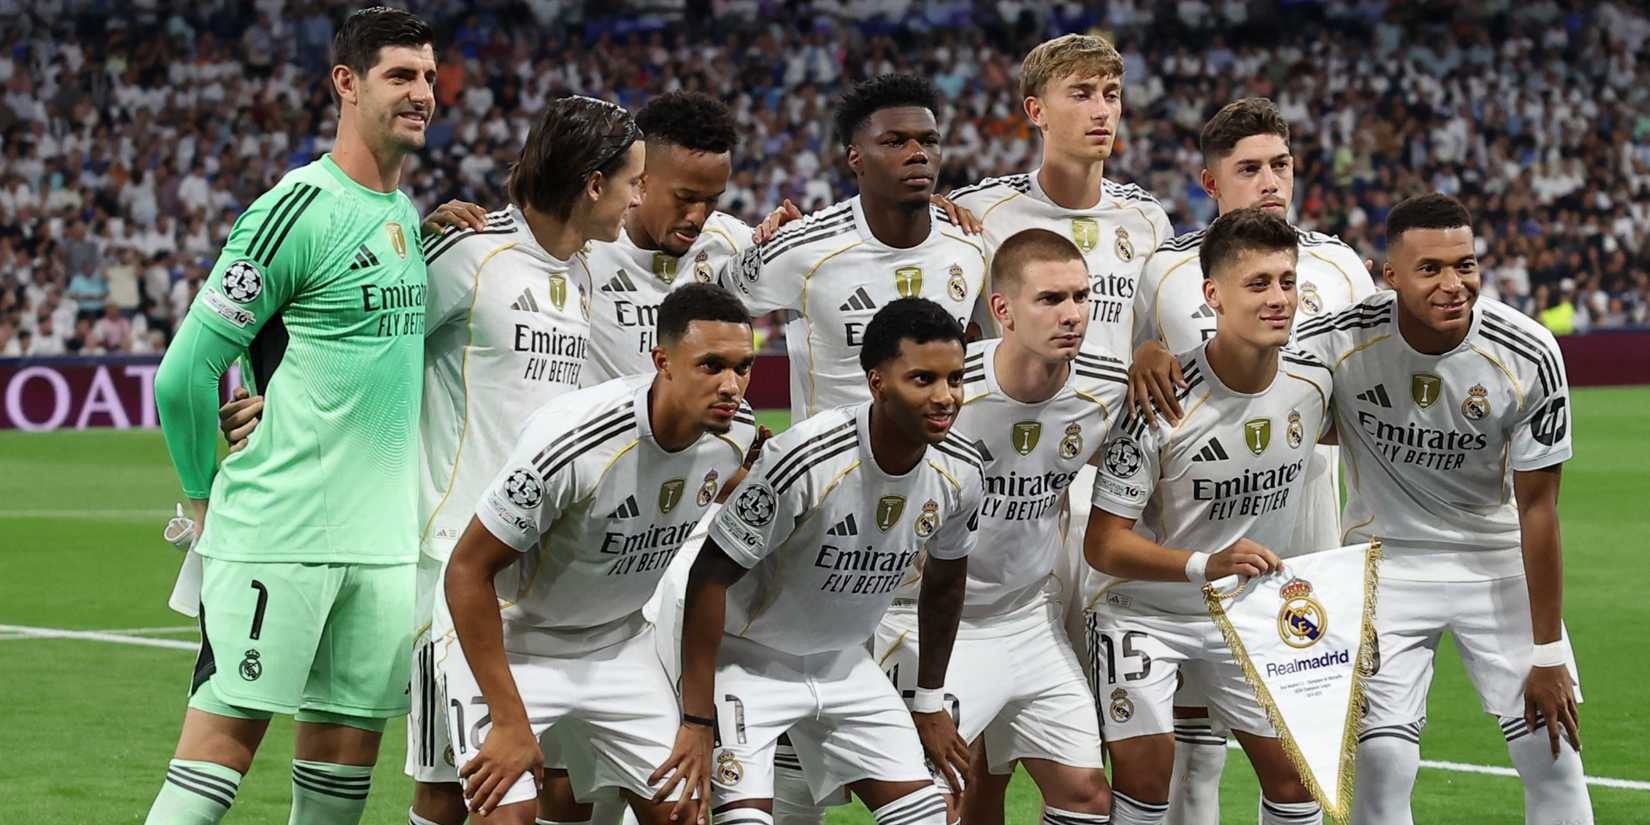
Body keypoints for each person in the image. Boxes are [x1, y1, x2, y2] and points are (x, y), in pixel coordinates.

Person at [218, 95, 647, 825]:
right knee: (458, 794)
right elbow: (348, 322)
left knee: (553, 790)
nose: (639, 196)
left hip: (539, 573)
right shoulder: (469, 252)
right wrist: (276, 399)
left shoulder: (581, 273)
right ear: (594, 183)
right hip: (453, 566)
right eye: (633, 180)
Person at [146, 8, 438, 825]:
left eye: (429, 77)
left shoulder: (408, 217)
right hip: (280, 536)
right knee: (209, 777)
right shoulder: (295, 209)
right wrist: (201, 501)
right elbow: (184, 375)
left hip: (382, 547)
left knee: (337, 796)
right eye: (401, 76)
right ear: (346, 82)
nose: (423, 94)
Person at [1289, 194, 1590, 825]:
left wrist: (1547, 654)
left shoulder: (1527, 351)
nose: (1454, 285)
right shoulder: (1337, 340)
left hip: (1494, 563)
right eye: (1430, 269)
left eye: (1466, 264)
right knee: (1377, 772)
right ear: (1390, 274)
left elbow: (1539, 510)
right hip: (1383, 568)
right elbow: (1259, 387)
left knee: (1554, 757)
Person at [1128, 97, 1376, 823]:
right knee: (1196, 745)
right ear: (1211, 181)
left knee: (1305, 753)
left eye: (1280, 165)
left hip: (1308, 538)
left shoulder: (1337, 264)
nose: (1269, 180)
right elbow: (1140, 388)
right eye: (1248, 168)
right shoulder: (1167, 272)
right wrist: (1143, 351)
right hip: (1201, 541)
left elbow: (1361, 397)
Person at [440, 283, 761, 825]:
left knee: (686, 813)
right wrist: (510, 719)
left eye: (743, 366)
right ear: (663, 361)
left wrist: (698, 723)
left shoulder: (735, 433)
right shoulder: (574, 442)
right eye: (711, 366)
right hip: (514, 644)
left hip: (619, 646)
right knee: (505, 816)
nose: (732, 385)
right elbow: (467, 570)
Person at [659, 297, 985, 825]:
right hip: (743, 658)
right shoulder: (805, 458)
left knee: (929, 815)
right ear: (877, 382)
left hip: (843, 661)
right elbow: (708, 577)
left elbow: (946, 582)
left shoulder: (963, 469)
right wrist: (696, 718)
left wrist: (928, 702)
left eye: (955, 379)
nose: (945, 398)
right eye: (923, 379)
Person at [1086, 208, 1331, 825]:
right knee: (1147, 782)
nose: (1279, 299)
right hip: (1141, 609)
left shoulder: (1315, 381)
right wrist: (1206, 564)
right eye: (1258, 284)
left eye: (1286, 280)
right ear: (1213, 295)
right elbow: (1102, 544)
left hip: (1244, 610)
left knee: (1298, 782)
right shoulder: (1161, 397)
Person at [873, 229, 1122, 825]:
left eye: (1081, 297)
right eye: (1050, 299)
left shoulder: (1108, 390)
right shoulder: (949, 389)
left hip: (1028, 618)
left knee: (1088, 799)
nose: (1072, 314)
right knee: (936, 802)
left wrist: (1156, 356)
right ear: (1003, 310)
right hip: (927, 621)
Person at [733, 73, 988, 424]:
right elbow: (709, 310)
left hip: (939, 472)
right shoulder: (802, 249)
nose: (918, 154)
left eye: (929, 141)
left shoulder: (970, 244)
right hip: (830, 472)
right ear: (856, 158)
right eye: (895, 142)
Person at [946, 33, 1172, 364]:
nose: (1101, 112)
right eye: (1081, 94)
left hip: (1115, 414)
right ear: (1037, 111)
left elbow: (1160, 334)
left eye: (1111, 95)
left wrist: (1156, 350)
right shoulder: (978, 211)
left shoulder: (1147, 219)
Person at [581, 91, 793, 385]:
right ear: (642, 181)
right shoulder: (583, 245)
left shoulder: (731, 243)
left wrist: (794, 245)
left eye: (712, 200)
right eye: (685, 197)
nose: (698, 216)